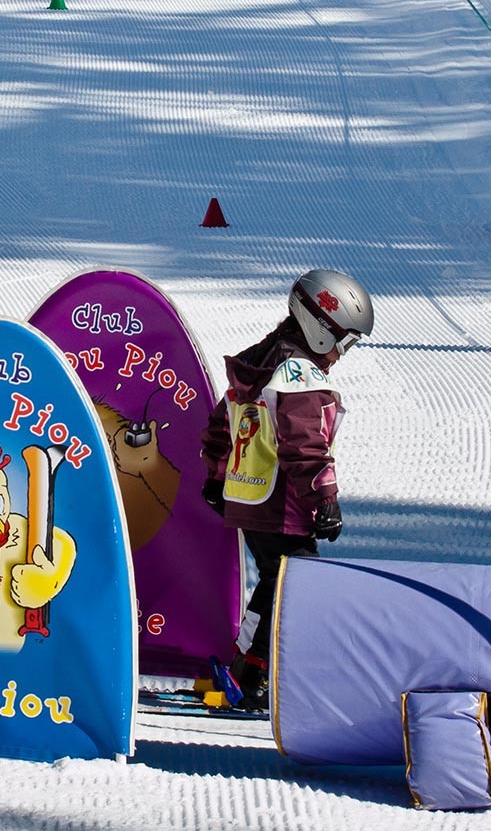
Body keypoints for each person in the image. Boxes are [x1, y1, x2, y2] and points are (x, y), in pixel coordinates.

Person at [201, 268, 374, 710]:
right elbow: (305, 442)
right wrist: (324, 501)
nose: (341, 352)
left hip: (249, 496)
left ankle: (244, 663)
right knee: (292, 584)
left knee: (277, 582)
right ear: (320, 328)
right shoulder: (298, 373)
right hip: (281, 503)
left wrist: (219, 479)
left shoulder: (260, 360)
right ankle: (255, 674)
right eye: (344, 340)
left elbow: (224, 423)